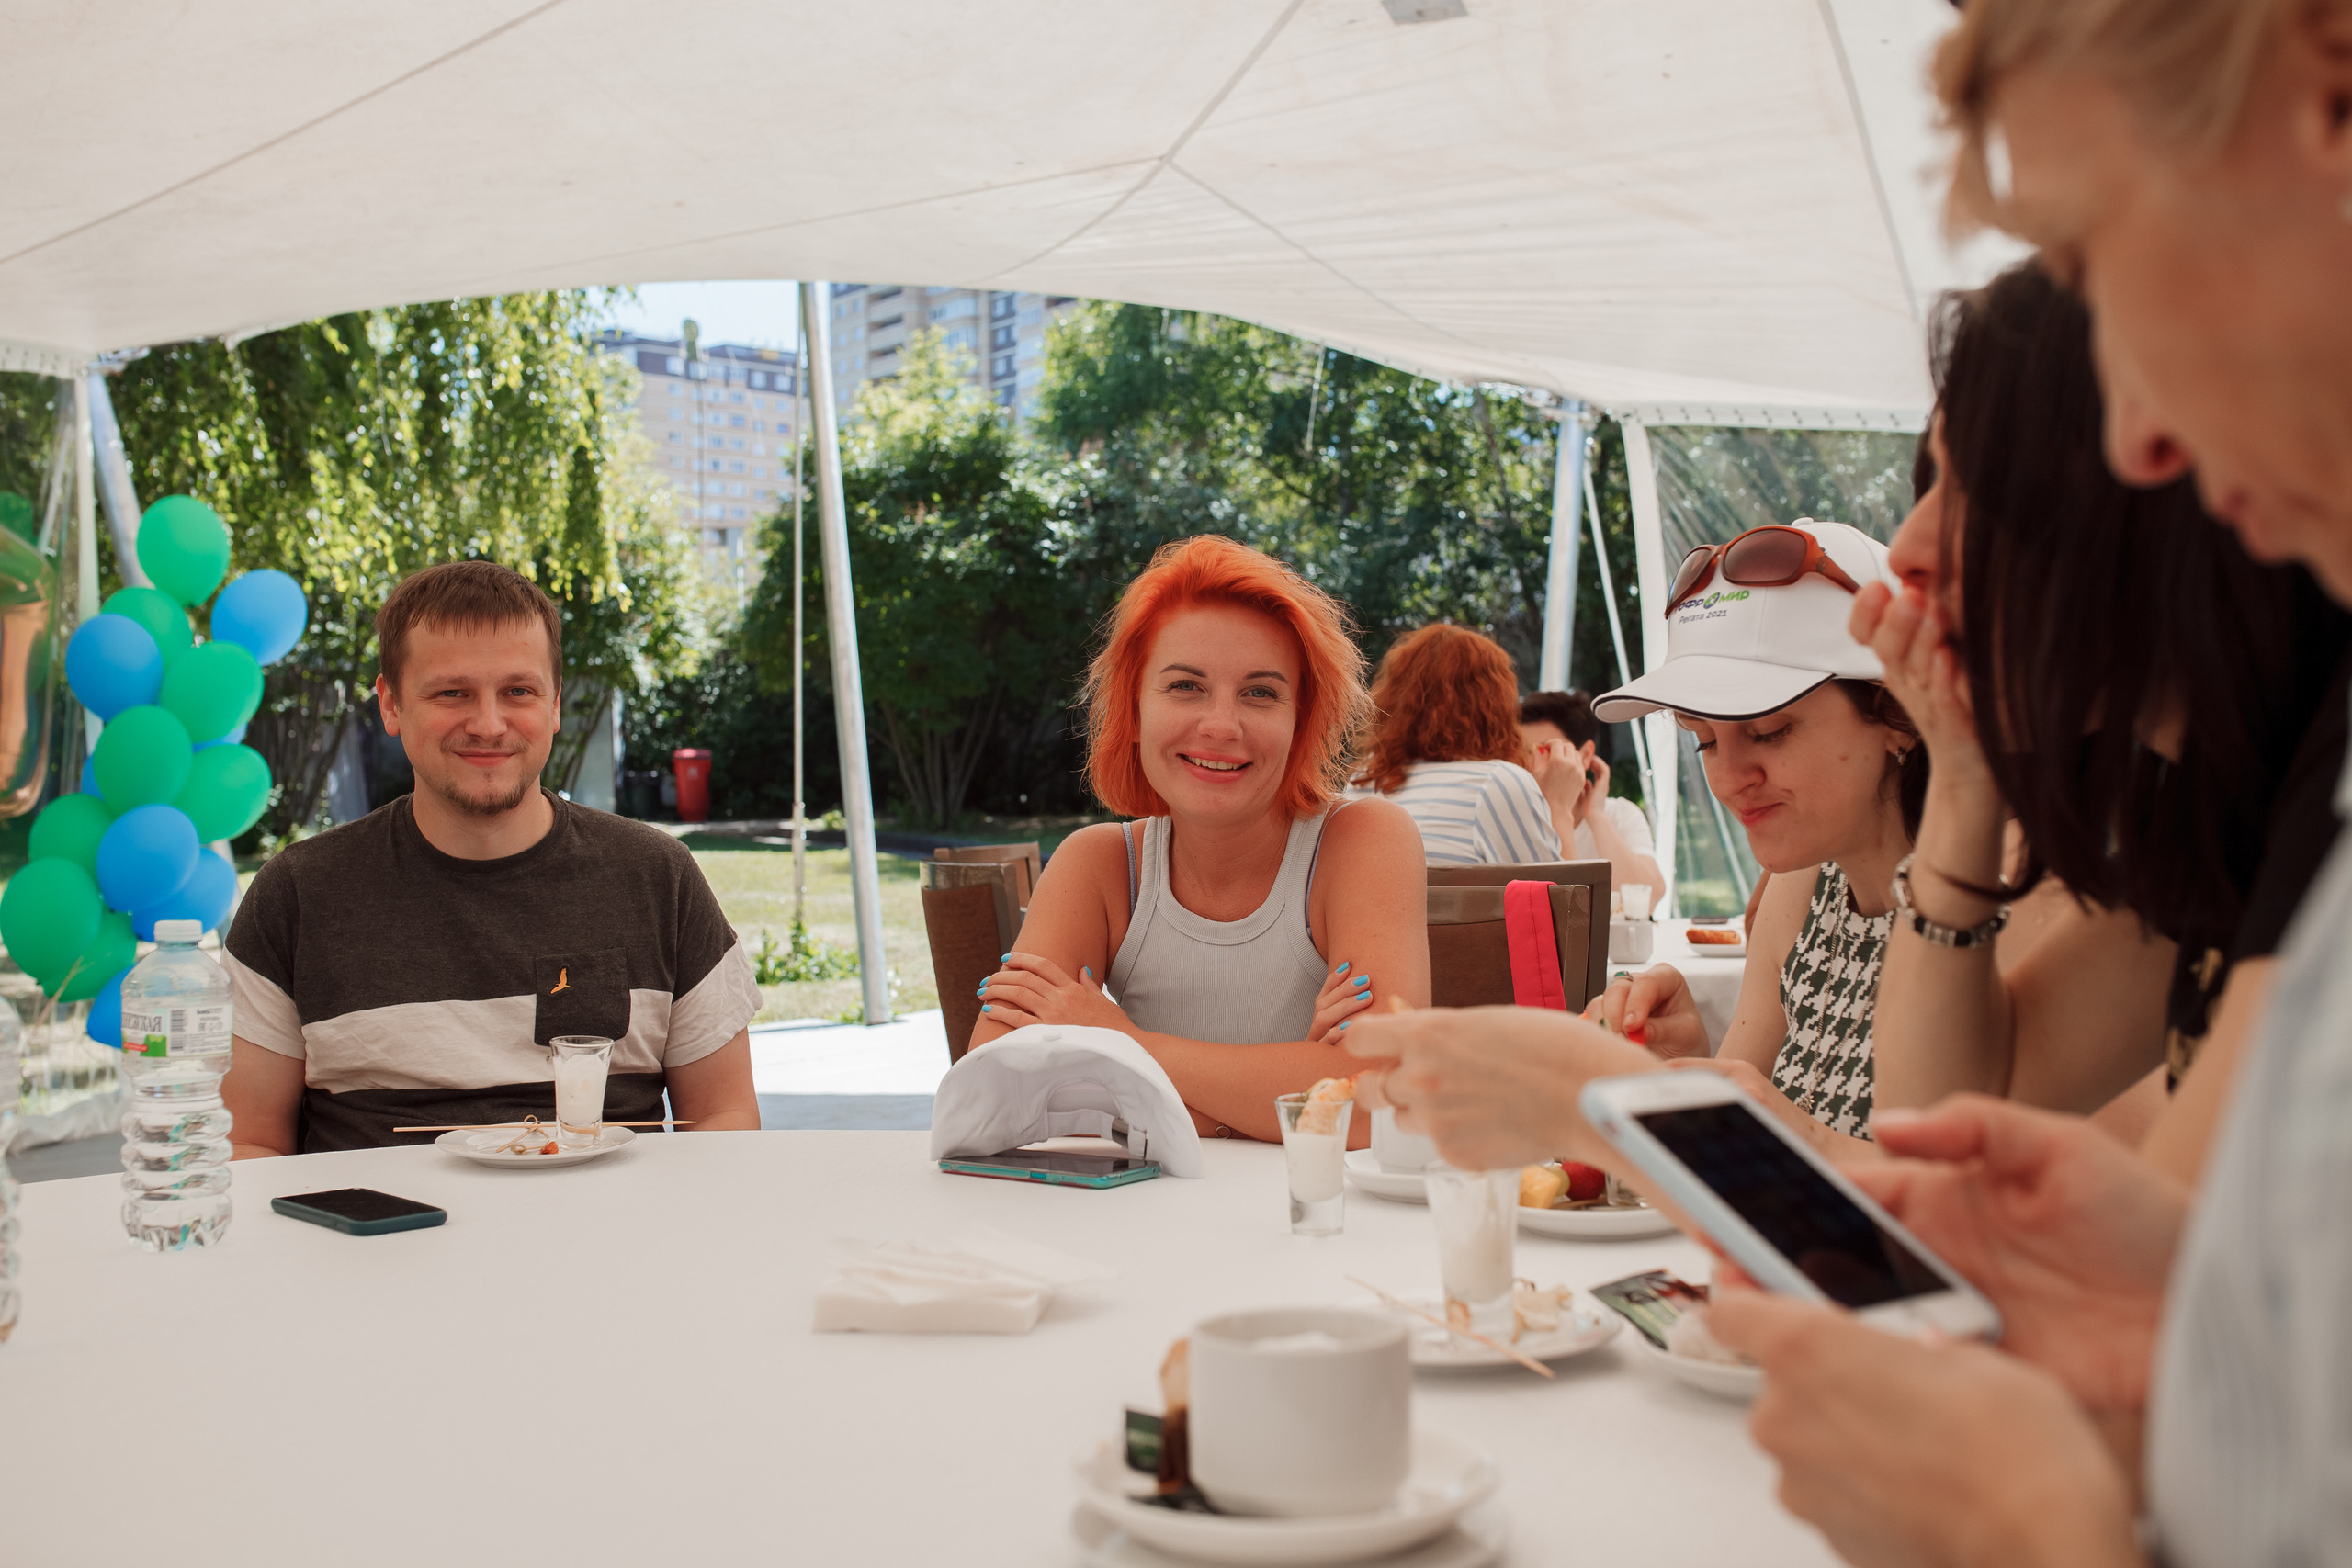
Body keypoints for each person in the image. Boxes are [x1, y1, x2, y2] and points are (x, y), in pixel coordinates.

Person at [1346, 7, 2352, 1565]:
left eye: (2106, 251)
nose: (1925, 556)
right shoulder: (2248, 821)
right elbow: (2137, 1269)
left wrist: (1600, 1101)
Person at [1862, 263, 2351, 1168]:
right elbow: (1946, 1117)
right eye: (1931, 480)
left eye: (1974, 490)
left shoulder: (2321, 781)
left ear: (2149, 485)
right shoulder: (2212, 809)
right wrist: (1964, 781)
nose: (1907, 547)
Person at [220, 561, 763, 1156]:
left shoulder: (661, 878)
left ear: (555, 704)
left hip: (606, 1242)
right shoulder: (297, 895)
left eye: (518, 692)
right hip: (375, 1244)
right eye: (452, 692)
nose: (487, 723)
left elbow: (724, 1116)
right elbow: (250, 1143)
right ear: (392, 704)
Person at [969, 536, 1429, 1144]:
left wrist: (1120, 1042)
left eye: (1260, 692)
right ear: (1133, 711)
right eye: (1185, 685)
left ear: (1302, 721)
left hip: (1318, 1227)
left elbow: (1383, 1097)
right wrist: (1291, 1084)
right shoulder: (1100, 864)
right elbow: (994, 1096)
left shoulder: (1362, 838)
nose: (1221, 725)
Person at [1578, 520, 1987, 1157]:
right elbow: (1741, 1150)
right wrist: (1686, 1064)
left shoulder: (1999, 892)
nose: (1730, 778)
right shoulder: (1800, 889)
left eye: (1768, 730)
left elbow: (2006, 1196)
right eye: (1703, 739)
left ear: (1899, 713)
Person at [1349, 623, 1560, 866]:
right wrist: (1559, 806)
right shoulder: (1497, 782)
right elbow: (1556, 901)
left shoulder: (1360, 781)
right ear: (1494, 707)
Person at [1516, 689, 1668, 899]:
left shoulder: (1620, 815)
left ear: (1586, 755)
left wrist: (1595, 816)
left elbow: (1648, 899)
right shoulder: (1512, 819)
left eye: (1545, 750)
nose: (1530, 764)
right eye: (1522, 753)